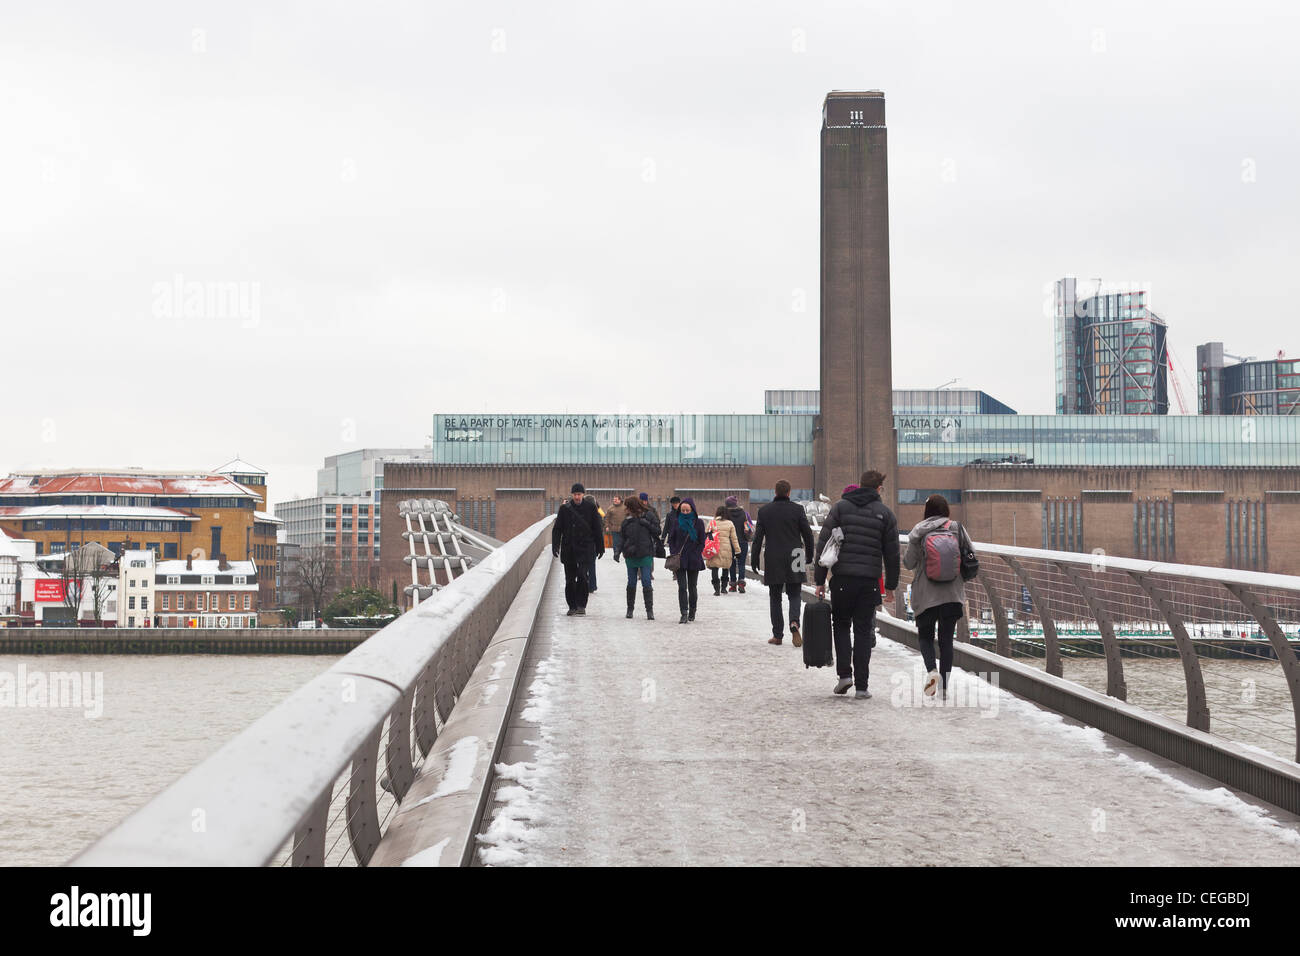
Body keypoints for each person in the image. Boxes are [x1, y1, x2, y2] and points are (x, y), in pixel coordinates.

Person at [814, 470, 900, 699]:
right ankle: (862, 686)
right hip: (869, 581)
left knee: (841, 625)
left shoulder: (840, 508)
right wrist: (890, 586)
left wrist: (820, 580)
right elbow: (892, 554)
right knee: (863, 630)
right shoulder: (885, 514)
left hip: (842, 578)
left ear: (861, 485)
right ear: (878, 489)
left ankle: (844, 675)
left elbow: (824, 545)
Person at [903, 494, 974, 700]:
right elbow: (971, 554)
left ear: (927, 512)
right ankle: (943, 688)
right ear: (946, 511)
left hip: (926, 595)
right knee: (946, 641)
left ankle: (931, 670)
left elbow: (908, 563)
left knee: (925, 637)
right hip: (952, 594)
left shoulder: (918, 532)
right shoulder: (957, 528)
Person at [751, 479, 815, 646]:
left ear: (775, 492)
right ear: (789, 493)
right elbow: (808, 534)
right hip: (796, 555)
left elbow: (757, 538)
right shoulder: (798, 509)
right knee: (795, 593)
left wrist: (755, 559)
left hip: (773, 557)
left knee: (775, 597)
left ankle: (777, 635)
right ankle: (794, 622)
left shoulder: (764, 511)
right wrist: (809, 555)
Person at [552, 482, 604, 616]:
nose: (577, 497)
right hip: (569, 548)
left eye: (579, 494)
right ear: (572, 495)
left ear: (583, 494)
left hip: (585, 548)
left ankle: (581, 605)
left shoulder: (591, 507)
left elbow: (597, 529)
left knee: (582, 576)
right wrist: (555, 545)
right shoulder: (564, 509)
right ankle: (572, 606)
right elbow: (557, 529)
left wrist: (600, 547)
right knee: (569, 579)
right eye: (575, 494)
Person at [665, 496, 706, 624]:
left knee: (692, 587)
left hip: (694, 558)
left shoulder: (698, 523)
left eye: (688, 511)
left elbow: (701, 541)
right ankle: (684, 612)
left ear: (692, 510)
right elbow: (671, 539)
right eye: (683, 510)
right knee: (682, 587)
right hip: (680, 559)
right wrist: (674, 552)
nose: (685, 513)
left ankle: (692, 610)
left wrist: (696, 553)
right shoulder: (677, 522)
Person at [620, 496, 661, 619]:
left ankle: (649, 610)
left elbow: (657, 531)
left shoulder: (648, 515)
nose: (626, 509)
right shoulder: (627, 520)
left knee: (646, 581)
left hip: (645, 553)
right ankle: (630, 609)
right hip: (631, 554)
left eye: (628, 506)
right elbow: (623, 536)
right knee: (631, 581)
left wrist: (647, 524)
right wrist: (620, 550)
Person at [706, 505, 741, 596]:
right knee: (725, 568)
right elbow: (734, 539)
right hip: (727, 549)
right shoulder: (730, 523)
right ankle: (724, 588)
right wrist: (737, 551)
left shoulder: (712, 522)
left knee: (714, 568)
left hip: (714, 548)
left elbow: (706, 534)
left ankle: (716, 589)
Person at [723, 495, 751, 594]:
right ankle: (741, 583)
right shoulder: (745, 514)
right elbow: (750, 527)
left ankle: (733, 585)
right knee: (742, 563)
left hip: (730, 542)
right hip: (742, 541)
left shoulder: (725, 515)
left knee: (732, 564)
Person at [584, 493, 605, 593]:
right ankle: (592, 585)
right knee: (592, 565)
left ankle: (584, 583)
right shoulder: (598, 514)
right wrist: (601, 548)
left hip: (582, 543)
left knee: (583, 565)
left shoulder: (580, 513)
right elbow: (599, 532)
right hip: (593, 544)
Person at [605, 495, 629, 564]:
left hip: (624, 529)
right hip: (614, 528)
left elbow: (629, 516)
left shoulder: (625, 507)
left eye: (616, 500)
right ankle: (616, 554)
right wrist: (607, 526)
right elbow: (607, 518)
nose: (614, 501)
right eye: (614, 499)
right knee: (615, 542)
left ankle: (625, 554)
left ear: (620, 500)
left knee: (624, 542)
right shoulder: (610, 508)